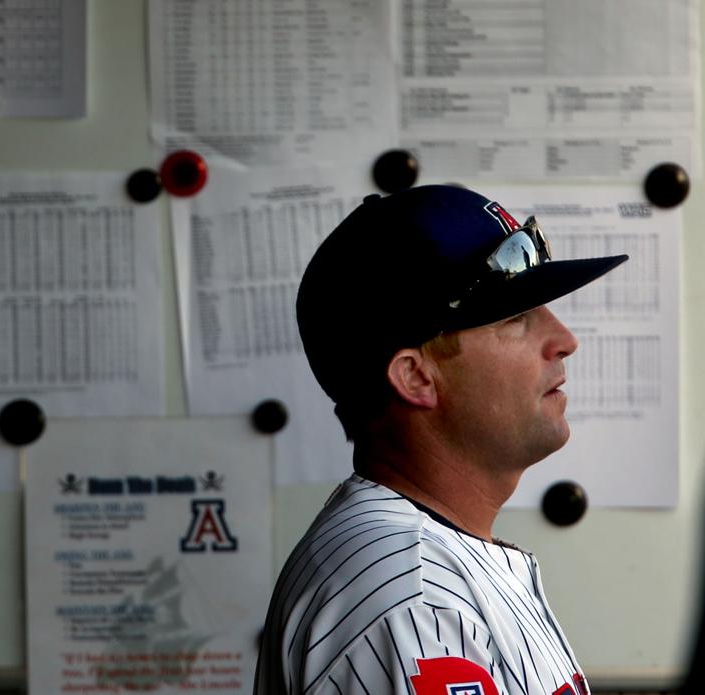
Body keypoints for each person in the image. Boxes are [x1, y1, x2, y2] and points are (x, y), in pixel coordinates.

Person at [254, 185, 627, 695]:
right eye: (515, 317)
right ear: (415, 378)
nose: (564, 339)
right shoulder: (414, 598)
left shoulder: (430, 561)